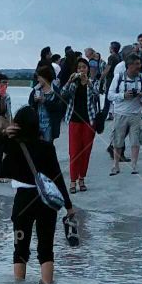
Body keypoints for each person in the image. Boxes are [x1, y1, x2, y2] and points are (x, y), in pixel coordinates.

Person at [0, 105, 75, 284]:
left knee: (20, 248)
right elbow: (57, 178)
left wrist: (4, 133)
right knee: (46, 248)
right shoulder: (47, 147)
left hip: (23, 198)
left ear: (18, 124)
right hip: (46, 200)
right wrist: (69, 206)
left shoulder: (13, 145)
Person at [61, 57, 100, 193]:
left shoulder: (93, 82)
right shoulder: (73, 83)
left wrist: (88, 83)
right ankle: (73, 181)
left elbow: (96, 95)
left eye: (84, 67)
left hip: (89, 121)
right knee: (74, 152)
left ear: (88, 69)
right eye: (79, 68)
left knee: (85, 152)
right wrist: (70, 80)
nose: (81, 70)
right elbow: (63, 94)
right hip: (74, 121)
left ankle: (82, 178)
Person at [108, 55, 142, 175]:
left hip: (135, 114)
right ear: (129, 66)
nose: (139, 67)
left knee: (135, 140)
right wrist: (123, 95)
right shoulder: (118, 77)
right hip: (121, 113)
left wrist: (141, 96)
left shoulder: (140, 77)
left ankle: (134, 165)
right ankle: (116, 165)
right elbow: (110, 95)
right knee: (118, 140)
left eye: (139, 64)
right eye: (136, 64)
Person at [28, 63, 64, 144]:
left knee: (48, 148)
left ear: (45, 77)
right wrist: (34, 101)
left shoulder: (56, 91)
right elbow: (30, 105)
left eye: (39, 77)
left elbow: (59, 109)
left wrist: (45, 101)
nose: (38, 80)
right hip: (37, 125)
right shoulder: (36, 90)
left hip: (49, 126)